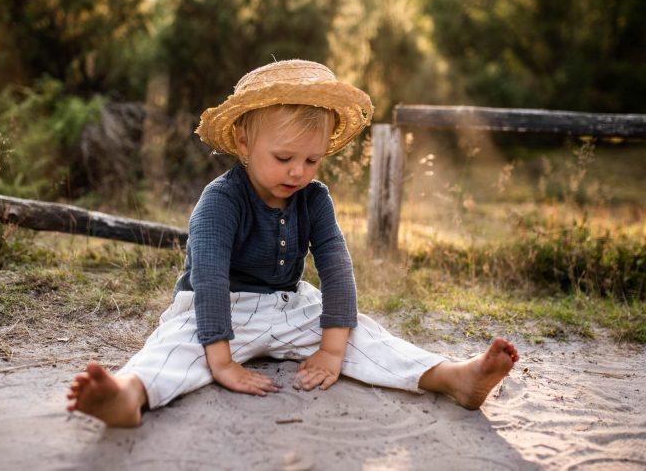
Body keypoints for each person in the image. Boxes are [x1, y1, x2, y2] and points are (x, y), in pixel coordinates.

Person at [66, 59, 519, 428]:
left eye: (311, 160)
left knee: (366, 334)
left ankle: (452, 378)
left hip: (289, 305)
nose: (298, 172)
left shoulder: (315, 199)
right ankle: (128, 394)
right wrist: (222, 362)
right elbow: (207, 278)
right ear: (244, 142)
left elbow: (337, 269)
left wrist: (332, 349)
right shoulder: (220, 201)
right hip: (219, 306)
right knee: (176, 347)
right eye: (284, 158)